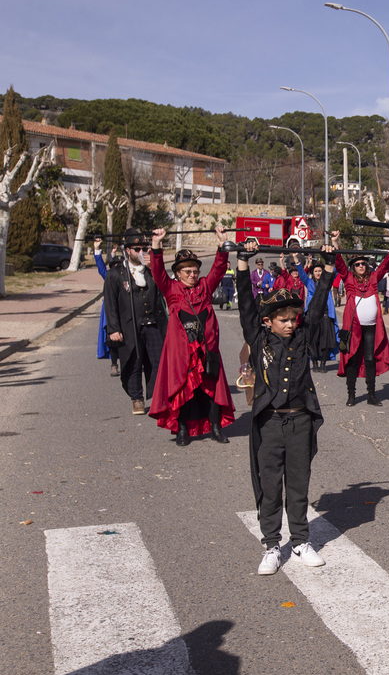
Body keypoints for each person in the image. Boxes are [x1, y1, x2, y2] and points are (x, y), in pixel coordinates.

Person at [236, 237, 337, 575]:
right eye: (284, 320)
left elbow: (320, 303)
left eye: (293, 319)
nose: (291, 324)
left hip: (299, 421)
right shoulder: (258, 337)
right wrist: (242, 263)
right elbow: (247, 307)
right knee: (269, 485)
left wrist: (329, 266)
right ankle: (270, 545)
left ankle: (300, 542)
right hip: (269, 423)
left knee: (298, 483)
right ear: (269, 322)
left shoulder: (302, 336)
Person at [148, 227, 236, 446]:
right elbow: (157, 271)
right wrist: (157, 245)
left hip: (207, 349)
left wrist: (222, 244)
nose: (192, 274)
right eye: (186, 271)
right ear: (178, 273)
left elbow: (218, 268)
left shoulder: (205, 287)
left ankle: (216, 427)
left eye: (195, 270)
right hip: (182, 353)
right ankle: (182, 429)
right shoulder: (171, 289)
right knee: (183, 388)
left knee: (212, 387)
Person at [103, 228, 168, 416]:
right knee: (133, 362)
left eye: (143, 248)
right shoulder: (115, 275)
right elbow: (110, 304)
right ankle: (137, 398)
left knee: (158, 362)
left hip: (153, 325)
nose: (141, 252)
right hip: (129, 326)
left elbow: (162, 282)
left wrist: (157, 244)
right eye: (136, 249)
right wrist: (114, 329)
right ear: (127, 250)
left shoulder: (150, 272)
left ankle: (158, 398)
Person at [333, 238, 389, 407]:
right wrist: (335, 243)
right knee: (352, 360)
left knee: (369, 359)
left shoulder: (373, 278)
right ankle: (351, 395)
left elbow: (384, 266)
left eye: (363, 263)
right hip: (353, 328)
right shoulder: (348, 279)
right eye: (357, 264)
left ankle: (371, 395)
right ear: (353, 267)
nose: (361, 266)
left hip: (372, 328)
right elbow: (339, 263)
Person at [297, 260, 339, 372]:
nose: (318, 273)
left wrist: (333, 256)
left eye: (320, 271)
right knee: (313, 341)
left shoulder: (327, 282)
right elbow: (302, 274)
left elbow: (335, 270)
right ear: (313, 273)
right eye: (316, 271)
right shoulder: (309, 282)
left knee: (325, 341)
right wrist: (297, 261)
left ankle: (323, 364)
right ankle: (314, 363)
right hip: (312, 317)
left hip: (325, 316)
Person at [92, 236, 121, 377]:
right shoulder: (108, 276)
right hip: (110, 311)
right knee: (112, 339)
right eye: (115, 266)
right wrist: (97, 249)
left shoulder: (127, 277)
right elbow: (101, 267)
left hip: (125, 311)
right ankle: (114, 365)